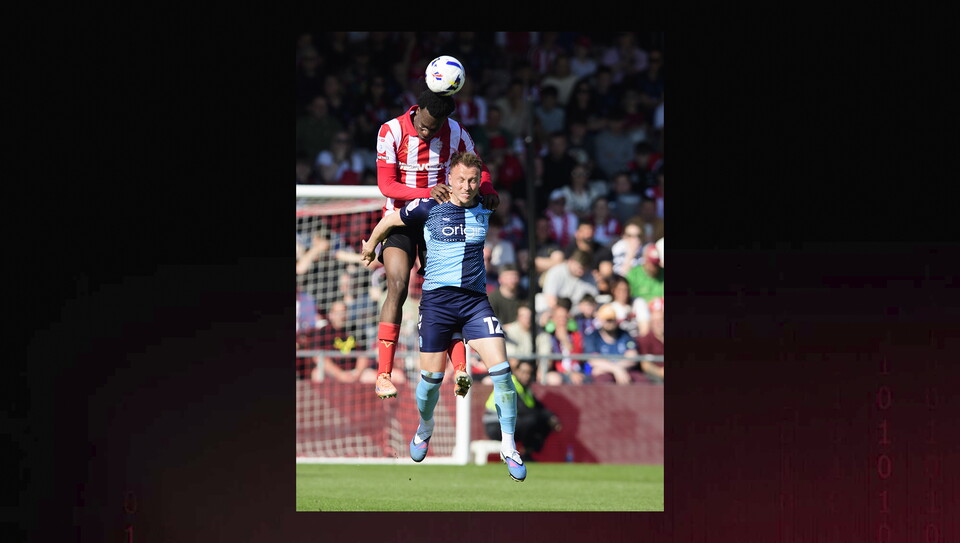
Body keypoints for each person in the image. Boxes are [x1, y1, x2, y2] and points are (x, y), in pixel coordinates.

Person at [361, 151, 527, 481]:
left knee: (503, 372)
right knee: (431, 383)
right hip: (437, 304)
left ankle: (509, 445)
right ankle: (425, 427)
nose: (466, 187)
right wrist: (372, 247)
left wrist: (490, 189)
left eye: (472, 181)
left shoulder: (486, 204)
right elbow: (391, 219)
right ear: (449, 179)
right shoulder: (428, 205)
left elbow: (493, 187)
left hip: (475, 303)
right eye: (461, 180)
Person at [372, 89, 500, 400]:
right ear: (416, 113)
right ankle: (383, 374)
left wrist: (488, 187)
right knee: (398, 284)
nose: (428, 132)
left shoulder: (456, 132)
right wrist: (427, 193)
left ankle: (459, 368)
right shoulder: (391, 130)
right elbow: (386, 184)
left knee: (449, 288)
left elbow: (478, 168)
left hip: (440, 218)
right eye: (424, 126)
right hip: (401, 218)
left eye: (435, 127)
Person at [483, 359, 562, 462]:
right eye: (523, 372)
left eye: (529, 373)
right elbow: (523, 409)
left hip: (508, 423)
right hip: (495, 424)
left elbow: (538, 407)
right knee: (532, 420)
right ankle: (524, 454)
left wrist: (551, 417)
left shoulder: (525, 388)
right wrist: (546, 417)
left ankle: (527, 453)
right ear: (516, 372)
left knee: (542, 422)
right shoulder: (510, 384)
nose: (527, 376)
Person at [583, 303, 636, 385]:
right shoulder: (592, 337)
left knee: (641, 381)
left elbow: (633, 357)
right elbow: (593, 360)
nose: (610, 323)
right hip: (605, 375)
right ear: (601, 320)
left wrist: (616, 369)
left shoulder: (625, 335)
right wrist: (616, 369)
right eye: (607, 320)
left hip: (623, 372)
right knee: (601, 379)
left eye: (612, 319)